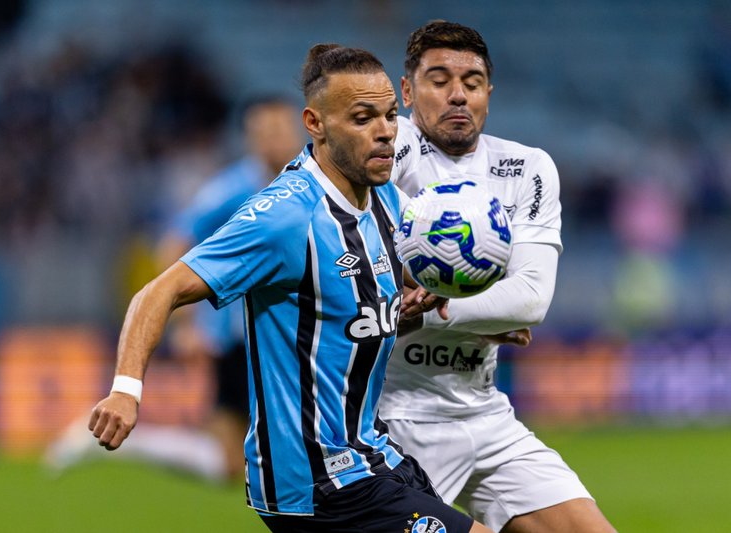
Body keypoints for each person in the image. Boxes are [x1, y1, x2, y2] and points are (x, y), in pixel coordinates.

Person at [87, 43, 492, 533]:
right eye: (363, 118)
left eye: (389, 115)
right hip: (316, 481)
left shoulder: (384, 196)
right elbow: (157, 291)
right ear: (316, 124)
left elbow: (399, 282)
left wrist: (433, 297)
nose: (385, 131)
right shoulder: (284, 216)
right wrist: (126, 392)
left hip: (373, 453)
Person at [379, 21, 616, 533]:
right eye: (438, 79)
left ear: (489, 91)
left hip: (482, 411)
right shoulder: (384, 151)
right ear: (405, 92)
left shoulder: (527, 167)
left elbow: (530, 300)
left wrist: (420, 313)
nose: (457, 94)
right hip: (388, 420)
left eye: (472, 81)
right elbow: (354, 290)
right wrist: (478, 313)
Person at [45, 97, 303, 483]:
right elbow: (174, 242)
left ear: (301, 128)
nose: (272, 140)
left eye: (279, 130)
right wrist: (186, 324)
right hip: (242, 339)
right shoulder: (232, 188)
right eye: (262, 132)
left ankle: (125, 440)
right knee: (237, 462)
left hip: (293, 333)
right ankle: (121, 437)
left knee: (244, 463)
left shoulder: (311, 180)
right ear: (248, 138)